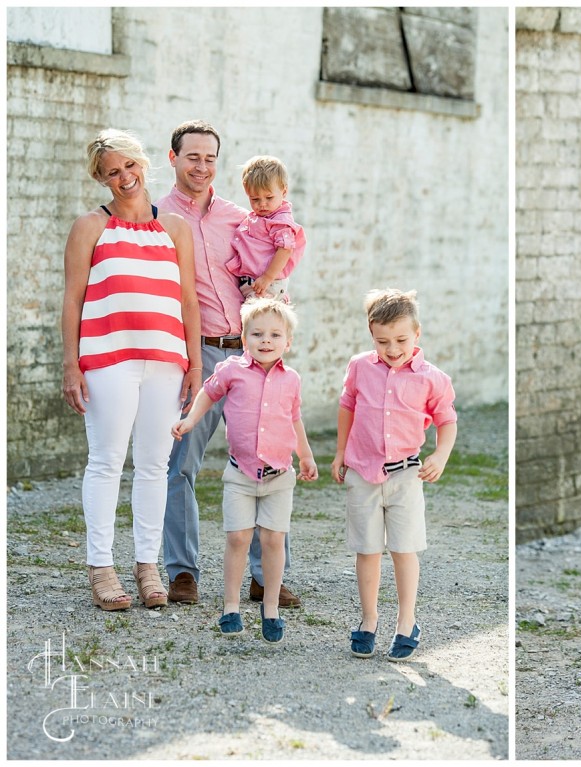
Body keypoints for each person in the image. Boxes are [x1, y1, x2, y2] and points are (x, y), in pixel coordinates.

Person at [158, 121, 301, 607]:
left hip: (248, 353)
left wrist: (275, 312)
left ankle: (266, 577)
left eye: (210, 158)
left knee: (264, 462)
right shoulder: (157, 217)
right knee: (181, 464)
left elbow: (283, 253)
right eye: (192, 157)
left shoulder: (244, 216)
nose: (201, 166)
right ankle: (181, 572)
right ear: (173, 157)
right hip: (194, 355)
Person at [61, 129, 201, 611]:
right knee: (105, 462)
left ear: (144, 165)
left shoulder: (177, 228)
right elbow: (73, 300)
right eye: (112, 172)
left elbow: (188, 301)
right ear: (102, 179)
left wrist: (195, 364)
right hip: (107, 358)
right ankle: (101, 567)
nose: (125, 177)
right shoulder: (89, 227)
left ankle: (146, 566)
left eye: (130, 166)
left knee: (155, 466)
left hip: (166, 360)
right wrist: (70, 365)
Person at [171, 298, 317, 643]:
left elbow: (294, 418)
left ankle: (270, 610)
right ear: (244, 336)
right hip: (240, 474)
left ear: (288, 341)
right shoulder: (232, 370)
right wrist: (190, 419)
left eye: (274, 335)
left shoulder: (291, 380)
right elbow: (208, 393)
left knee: (272, 539)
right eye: (257, 334)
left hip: (279, 476)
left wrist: (307, 455)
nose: (265, 341)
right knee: (237, 537)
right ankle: (231, 607)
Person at [330, 289, 457, 662]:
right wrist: (340, 452)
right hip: (362, 473)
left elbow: (447, 420)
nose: (392, 348)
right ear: (371, 335)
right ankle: (369, 620)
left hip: (405, 476)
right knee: (367, 550)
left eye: (401, 340)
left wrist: (441, 455)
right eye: (382, 341)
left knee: (404, 549)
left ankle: (406, 622)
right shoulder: (360, 367)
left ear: (417, 334)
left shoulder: (432, 378)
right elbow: (347, 407)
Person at [226, 155, 306, 302]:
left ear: (283, 192)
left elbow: (285, 249)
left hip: (267, 284)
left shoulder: (280, 220)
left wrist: (267, 277)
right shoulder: (258, 218)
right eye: (255, 199)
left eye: (269, 198)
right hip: (254, 283)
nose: (262, 204)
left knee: (260, 319)